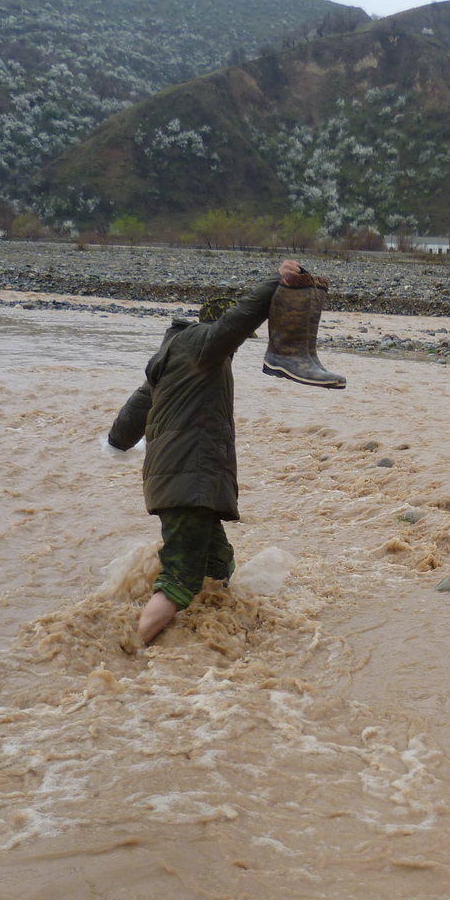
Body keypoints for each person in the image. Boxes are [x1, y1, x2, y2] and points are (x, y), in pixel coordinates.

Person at [105, 259, 344, 644]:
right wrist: (277, 282)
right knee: (180, 581)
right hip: (190, 485)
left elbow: (127, 423)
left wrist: (115, 445)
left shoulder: (167, 366)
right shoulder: (200, 347)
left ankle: (206, 631)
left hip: (179, 486)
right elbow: (237, 320)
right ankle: (130, 649)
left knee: (217, 564)